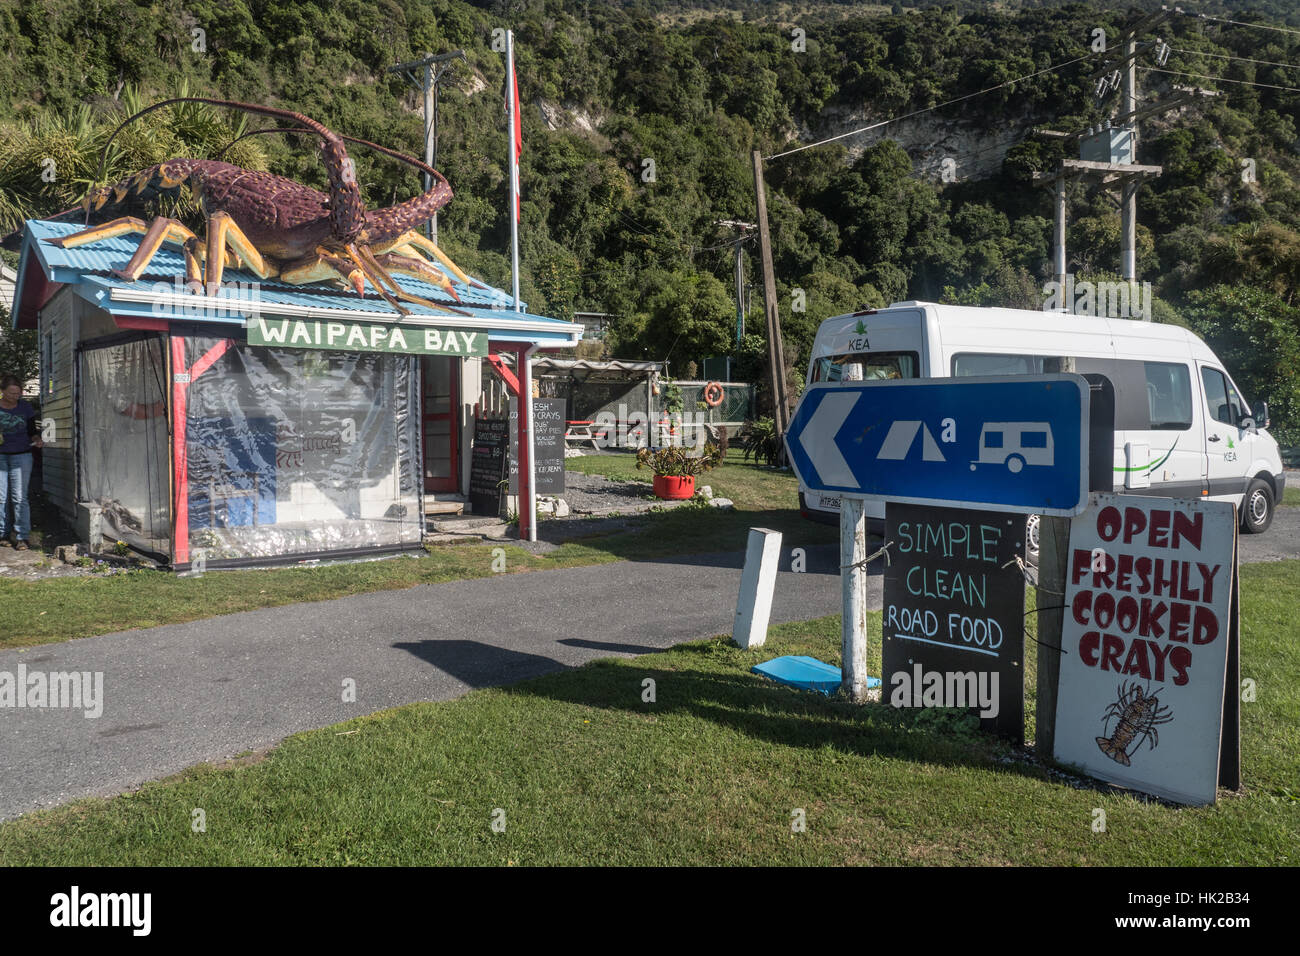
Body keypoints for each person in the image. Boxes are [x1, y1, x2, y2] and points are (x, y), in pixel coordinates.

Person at [0, 374, 43, 550]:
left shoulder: (25, 407)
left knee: (19, 497)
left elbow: (32, 431)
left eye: (18, 394)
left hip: (22, 455)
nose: (15, 397)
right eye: (11, 394)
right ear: (2, 392)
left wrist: (37, 439)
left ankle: (22, 537)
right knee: (1, 498)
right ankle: (2, 533)